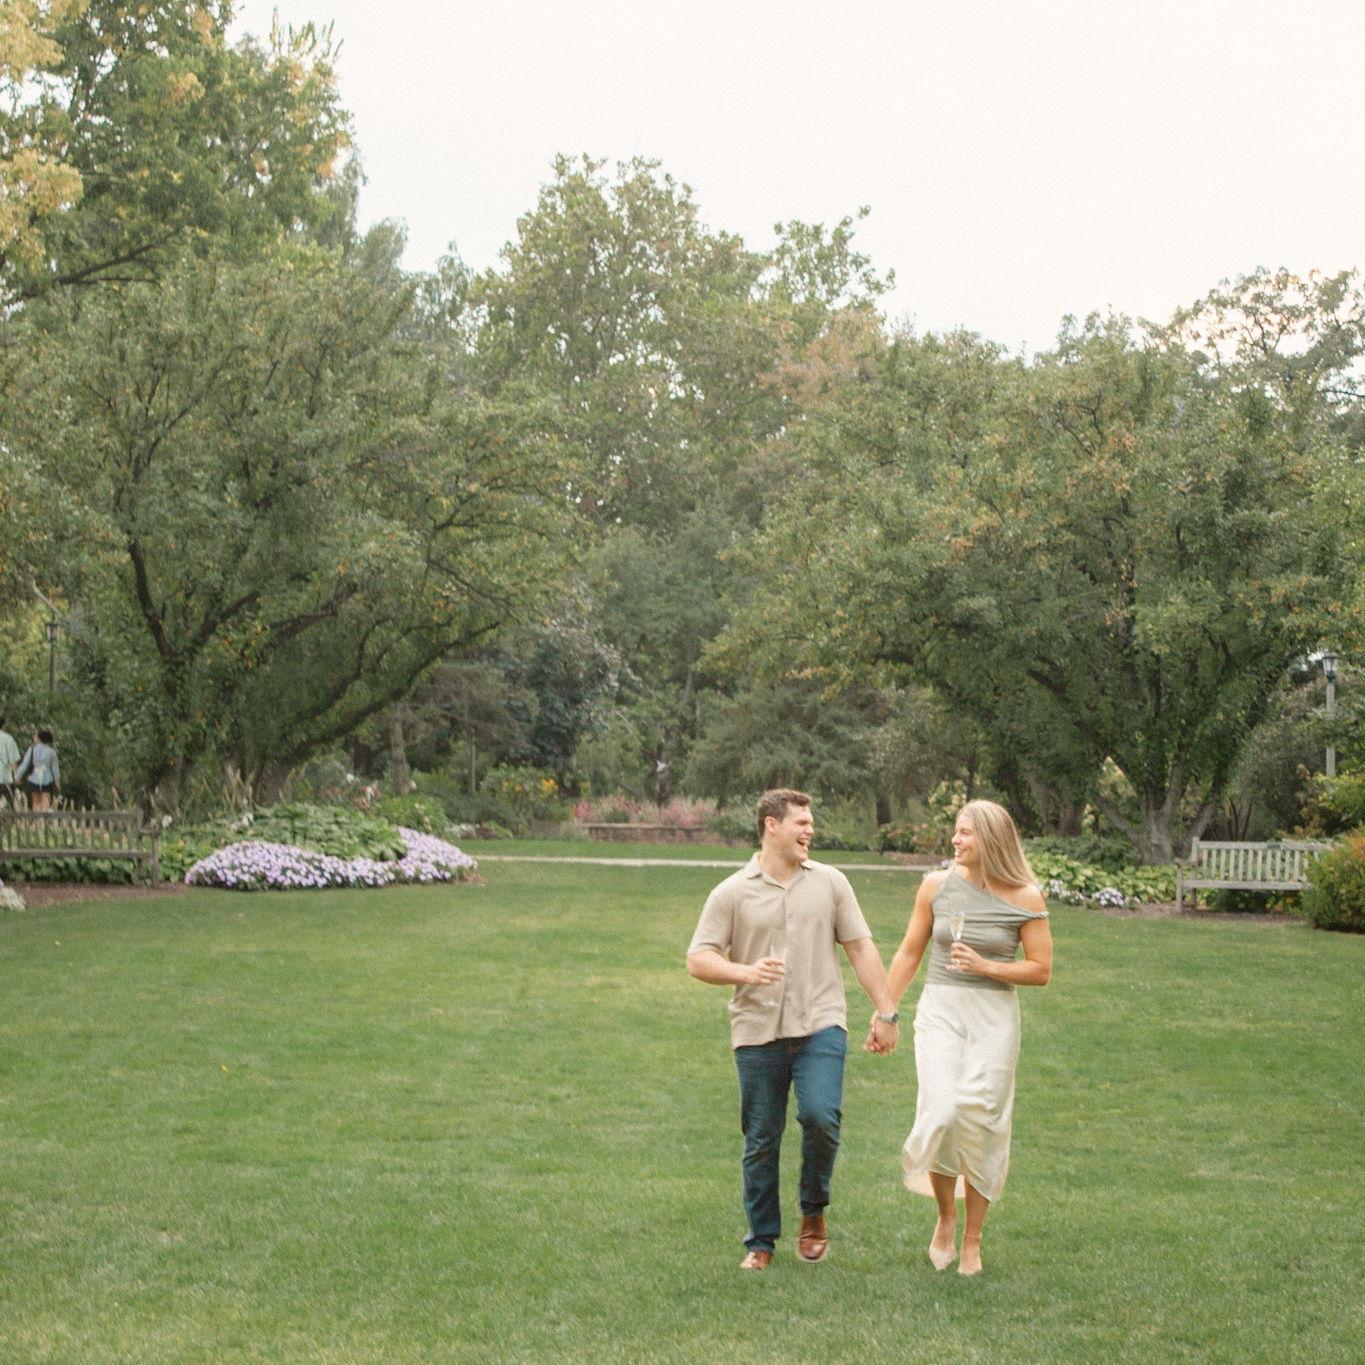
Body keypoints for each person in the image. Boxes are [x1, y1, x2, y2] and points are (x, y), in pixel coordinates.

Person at [686, 788, 900, 1270]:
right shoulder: (731, 892)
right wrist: (745, 972)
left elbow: (860, 947)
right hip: (756, 1030)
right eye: (801, 822)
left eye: (810, 822)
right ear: (771, 825)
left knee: (821, 1117)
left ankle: (813, 1211)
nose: (810, 830)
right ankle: (761, 1241)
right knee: (761, 1138)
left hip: (821, 1022)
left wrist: (886, 1011)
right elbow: (698, 958)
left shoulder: (831, 883)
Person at [870, 799, 1052, 1277]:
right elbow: (910, 952)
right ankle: (945, 1217)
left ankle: (972, 1239)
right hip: (941, 1010)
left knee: (983, 1123)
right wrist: (885, 1011)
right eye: (956, 830)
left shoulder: (1026, 897)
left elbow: (1041, 970)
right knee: (944, 1110)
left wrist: (988, 966)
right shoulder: (936, 886)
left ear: (991, 838)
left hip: (994, 1017)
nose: (955, 839)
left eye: (965, 832)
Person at [16, 729, 61, 811]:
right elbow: (55, 768)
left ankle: (36, 818)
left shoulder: (32, 749)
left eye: (35, 736)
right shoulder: (52, 752)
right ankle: (44, 817)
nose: (34, 737)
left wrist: (18, 776)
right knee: (46, 801)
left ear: (39, 738)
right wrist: (57, 782)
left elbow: (25, 764)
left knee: (35, 802)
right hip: (47, 778)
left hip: (34, 777)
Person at [0, 716, 19, 808]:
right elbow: (13, 760)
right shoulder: (9, 739)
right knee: (7, 807)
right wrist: (16, 776)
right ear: (3, 725)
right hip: (5, 779)